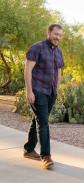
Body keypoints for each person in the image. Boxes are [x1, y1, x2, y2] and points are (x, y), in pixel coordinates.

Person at [23, 24, 64, 169]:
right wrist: (29, 91)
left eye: (60, 35)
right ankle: (46, 156)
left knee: (38, 120)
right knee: (44, 123)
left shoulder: (59, 52)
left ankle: (29, 149)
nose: (57, 37)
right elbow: (28, 70)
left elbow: (58, 72)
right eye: (55, 34)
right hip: (38, 90)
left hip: (51, 92)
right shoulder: (37, 47)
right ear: (49, 33)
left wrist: (57, 90)